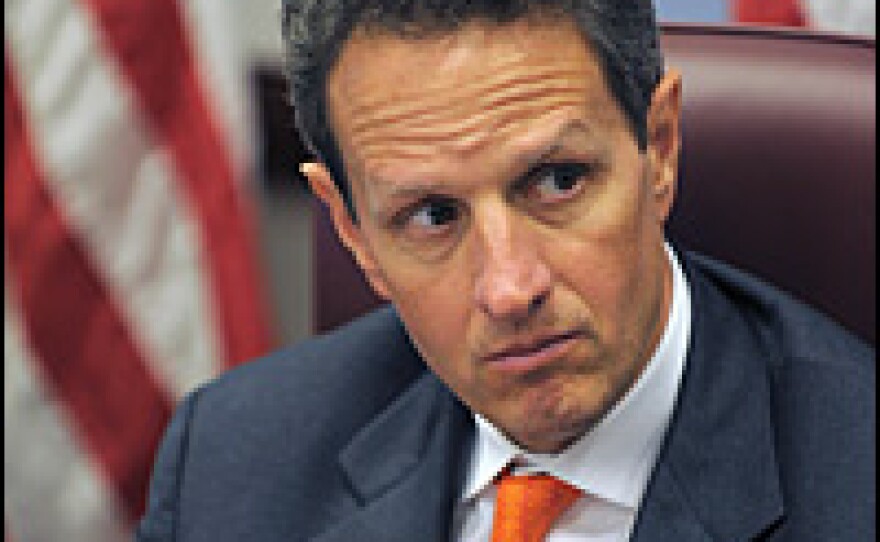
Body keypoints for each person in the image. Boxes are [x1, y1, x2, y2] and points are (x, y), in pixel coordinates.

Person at [137, 1, 875, 541]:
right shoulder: (230, 464)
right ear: (351, 231)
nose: (509, 288)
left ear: (660, 146)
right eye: (431, 216)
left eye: (557, 181)